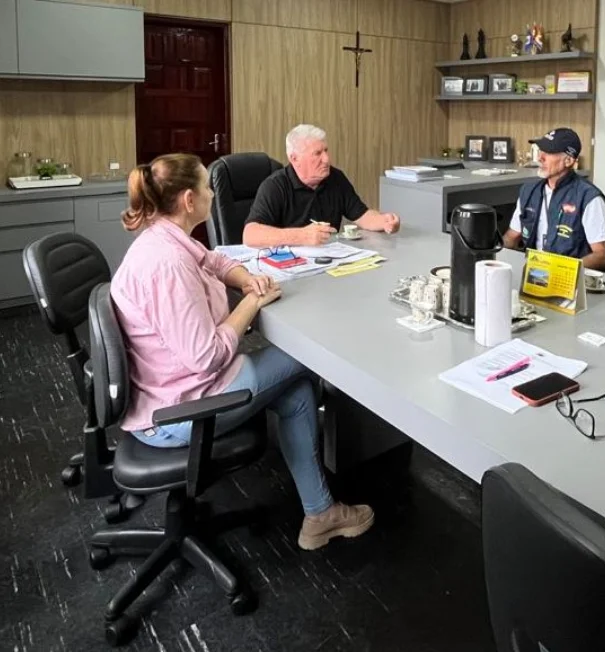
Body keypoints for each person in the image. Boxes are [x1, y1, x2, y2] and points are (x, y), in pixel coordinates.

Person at [112, 153, 374, 551]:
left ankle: (320, 514)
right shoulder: (168, 265)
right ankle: (326, 502)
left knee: (296, 392)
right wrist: (252, 303)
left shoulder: (165, 237)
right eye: (206, 187)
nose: (212, 194)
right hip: (178, 411)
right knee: (308, 360)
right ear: (188, 200)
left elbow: (215, 260)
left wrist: (246, 278)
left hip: (172, 388)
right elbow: (207, 357)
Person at [243, 124, 401, 248]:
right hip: (289, 266)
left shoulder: (336, 178)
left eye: (326, 151)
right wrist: (301, 236)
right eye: (317, 153)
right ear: (294, 158)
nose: (326, 159)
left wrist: (383, 221)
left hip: (330, 262)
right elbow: (250, 235)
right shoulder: (275, 186)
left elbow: (362, 215)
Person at [503, 127, 605, 271]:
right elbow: (511, 237)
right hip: (534, 272)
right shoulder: (529, 191)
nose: (540, 158)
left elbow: (604, 256)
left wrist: (561, 270)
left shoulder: (588, 198)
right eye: (541, 151)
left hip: (568, 277)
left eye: (548, 153)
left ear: (568, 160)